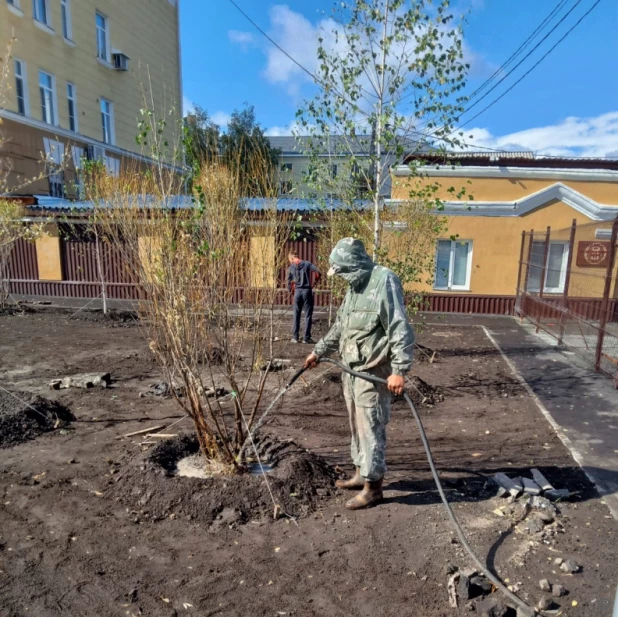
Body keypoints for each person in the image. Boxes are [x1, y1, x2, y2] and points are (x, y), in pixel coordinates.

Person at [303, 238, 415, 510]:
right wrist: (318, 351)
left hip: (373, 372)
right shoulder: (354, 287)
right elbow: (341, 326)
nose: (341, 277)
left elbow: (399, 326)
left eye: (342, 271)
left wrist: (399, 370)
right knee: (355, 425)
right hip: (350, 370)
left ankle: (373, 487)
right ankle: (359, 473)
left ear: (353, 266)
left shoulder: (383, 281)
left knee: (370, 428)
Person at [287, 251, 321, 344]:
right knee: (308, 315)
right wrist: (315, 281)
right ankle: (306, 338)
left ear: (291, 258)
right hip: (307, 291)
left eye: (290, 260)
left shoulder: (291, 267)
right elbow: (318, 272)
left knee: (296, 315)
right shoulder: (307, 264)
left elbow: (289, 282)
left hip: (297, 292)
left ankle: (295, 337)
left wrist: (291, 291)